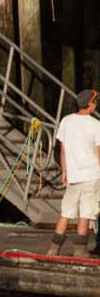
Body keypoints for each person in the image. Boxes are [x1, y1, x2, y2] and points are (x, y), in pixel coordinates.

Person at [49, 88, 100, 256]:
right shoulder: (96, 125)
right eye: (95, 102)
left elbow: (63, 150)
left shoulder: (66, 121)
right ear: (90, 104)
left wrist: (64, 171)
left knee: (66, 212)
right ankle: (79, 251)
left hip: (73, 176)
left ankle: (54, 248)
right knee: (85, 213)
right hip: (91, 175)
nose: (96, 105)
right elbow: (98, 152)